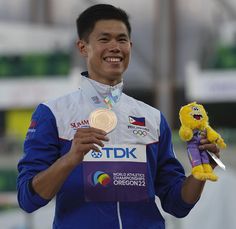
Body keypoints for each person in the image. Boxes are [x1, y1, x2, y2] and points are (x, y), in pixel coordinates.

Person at [17, 4, 221, 229]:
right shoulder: (53, 113)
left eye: (122, 40)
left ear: (130, 46)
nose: (115, 47)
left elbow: (177, 204)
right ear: (83, 47)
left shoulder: (152, 118)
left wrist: (201, 171)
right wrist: (70, 159)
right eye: (104, 39)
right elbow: (28, 199)